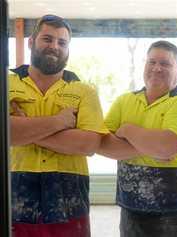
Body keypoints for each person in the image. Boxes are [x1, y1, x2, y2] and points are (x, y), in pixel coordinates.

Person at [9, 15, 108, 237]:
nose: (54, 46)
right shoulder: (5, 84)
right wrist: (58, 122)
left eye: (62, 42)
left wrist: (23, 128)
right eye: (47, 39)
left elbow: (88, 145)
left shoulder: (85, 92)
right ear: (31, 42)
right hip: (14, 196)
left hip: (69, 198)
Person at [98, 40, 177, 237]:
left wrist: (127, 130)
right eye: (151, 62)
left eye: (165, 63)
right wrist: (153, 147)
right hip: (130, 208)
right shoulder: (124, 100)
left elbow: (167, 146)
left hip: (175, 211)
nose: (157, 68)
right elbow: (101, 144)